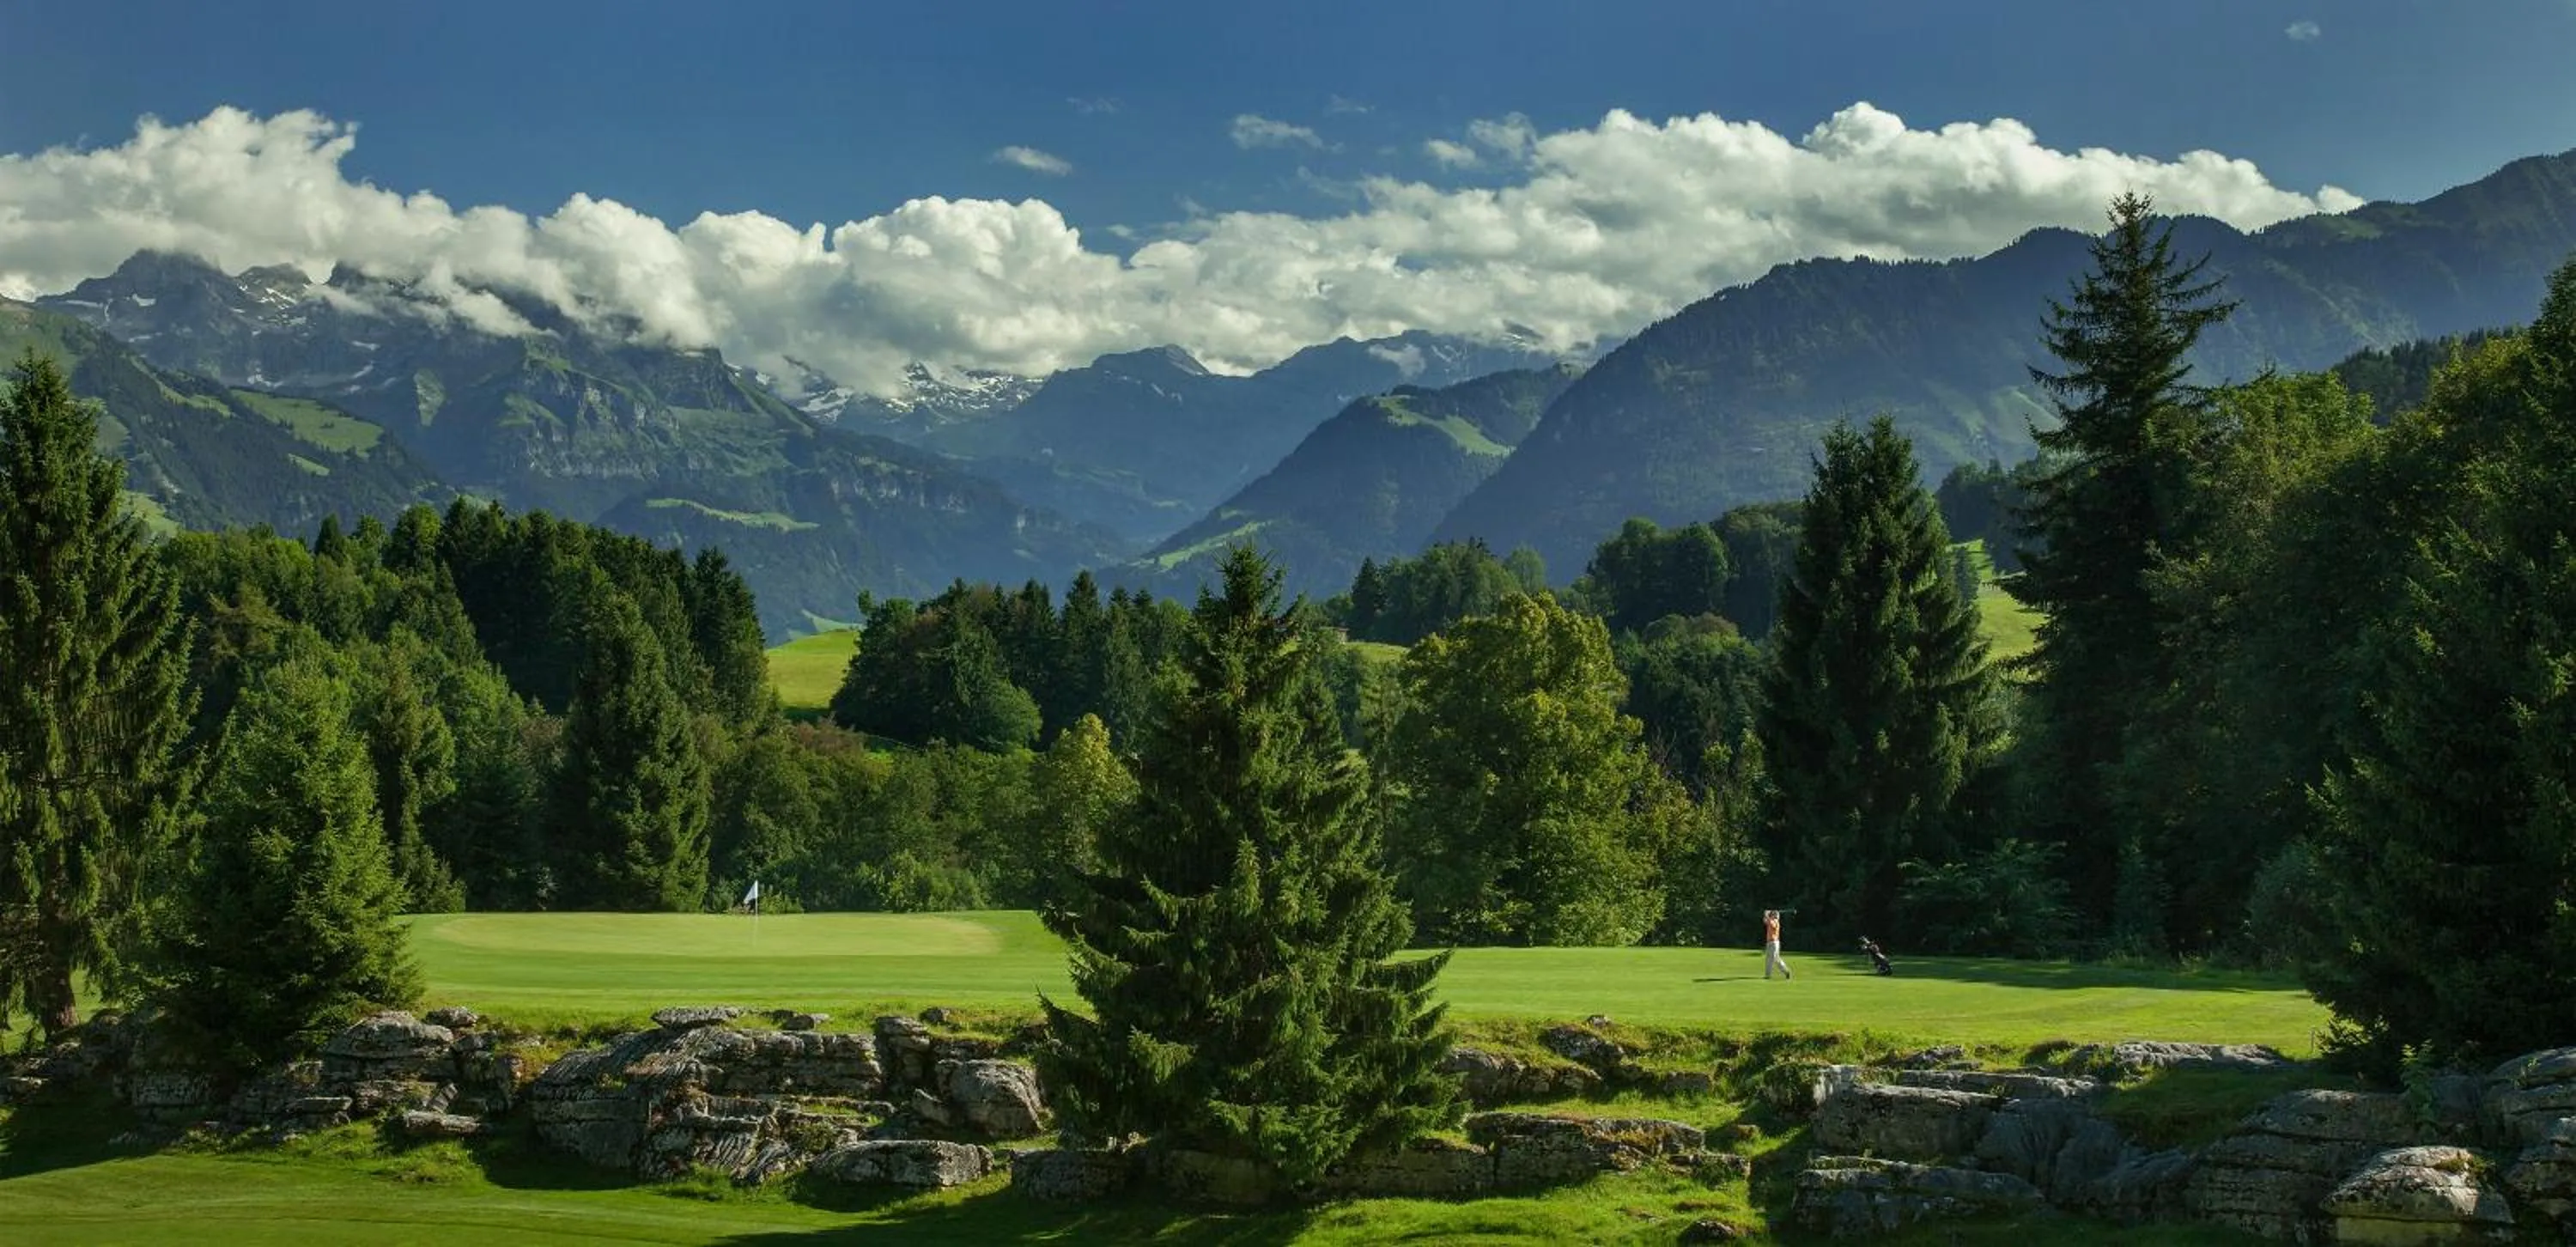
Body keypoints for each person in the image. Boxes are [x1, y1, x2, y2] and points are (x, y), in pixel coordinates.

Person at [1763, 909, 1792, 980]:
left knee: (1774, 959)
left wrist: (1767, 915)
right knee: (1769, 959)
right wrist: (1765, 915)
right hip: (1770, 942)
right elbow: (1765, 921)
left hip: (1774, 943)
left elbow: (1771, 924)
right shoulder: (1771, 920)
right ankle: (1768, 975)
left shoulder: (1775, 921)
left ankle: (1786, 971)